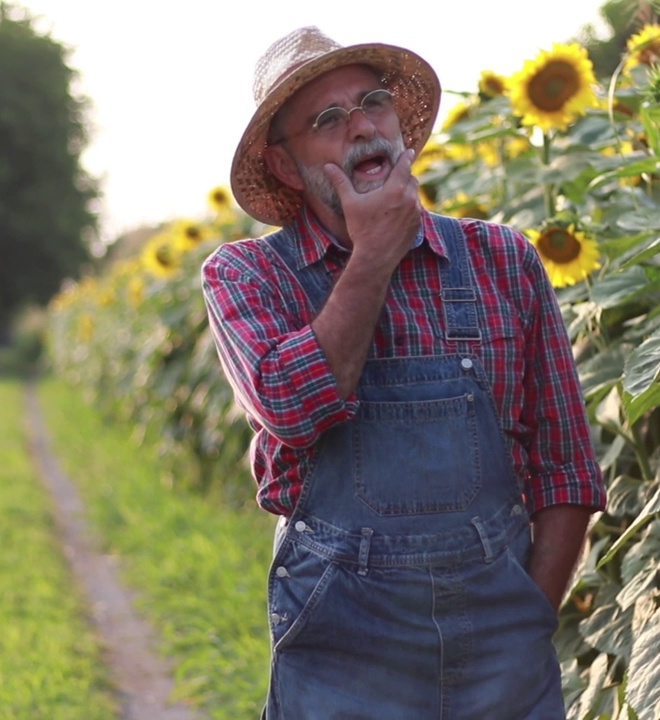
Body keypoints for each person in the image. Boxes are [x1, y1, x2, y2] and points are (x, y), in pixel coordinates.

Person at [201, 26, 607, 720]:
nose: (361, 127)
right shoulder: (245, 276)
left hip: (500, 638)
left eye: (374, 102)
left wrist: (528, 622)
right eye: (328, 119)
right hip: (342, 648)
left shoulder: (503, 259)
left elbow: (564, 469)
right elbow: (293, 407)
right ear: (288, 166)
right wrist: (374, 255)